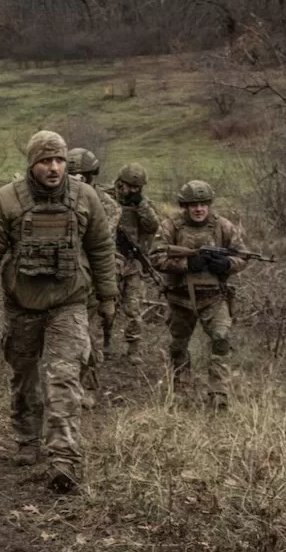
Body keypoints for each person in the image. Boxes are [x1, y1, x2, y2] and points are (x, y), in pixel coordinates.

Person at [0, 131, 118, 493]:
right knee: (25, 377)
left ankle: (63, 458)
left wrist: (109, 296)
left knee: (64, 377)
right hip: (22, 305)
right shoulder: (8, 199)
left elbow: (101, 248)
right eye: (45, 161)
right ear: (32, 164)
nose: (54, 168)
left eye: (60, 160)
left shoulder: (85, 198)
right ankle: (27, 440)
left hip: (69, 302)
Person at [149, 180, 251, 411]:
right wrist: (187, 263)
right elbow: (156, 257)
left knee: (221, 339)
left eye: (203, 204)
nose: (199, 209)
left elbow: (243, 256)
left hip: (214, 297)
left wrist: (226, 264)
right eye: (193, 204)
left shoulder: (223, 226)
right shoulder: (170, 226)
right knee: (178, 346)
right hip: (179, 298)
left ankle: (219, 395)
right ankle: (182, 390)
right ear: (185, 206)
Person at [66, 147, 118, 404]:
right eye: (71, 174)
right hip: (61, 279)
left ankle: (88, 384)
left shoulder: (105, 205)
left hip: (91, 280)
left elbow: (100, 245)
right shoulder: (54, 199)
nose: (76, 180)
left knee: (88, 335)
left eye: (82, 175)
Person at [103, 163, 160, 365]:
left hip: (135, 262)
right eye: (129, 187)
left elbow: (153, 226)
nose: (133, 191)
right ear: (120, 183)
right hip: (110, 261)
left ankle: (133, 348)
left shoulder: (144, 204)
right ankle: (105, 342)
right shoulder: (105, 198)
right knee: (108, 306)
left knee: (133, 308)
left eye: (138, 188)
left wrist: (141, 205)